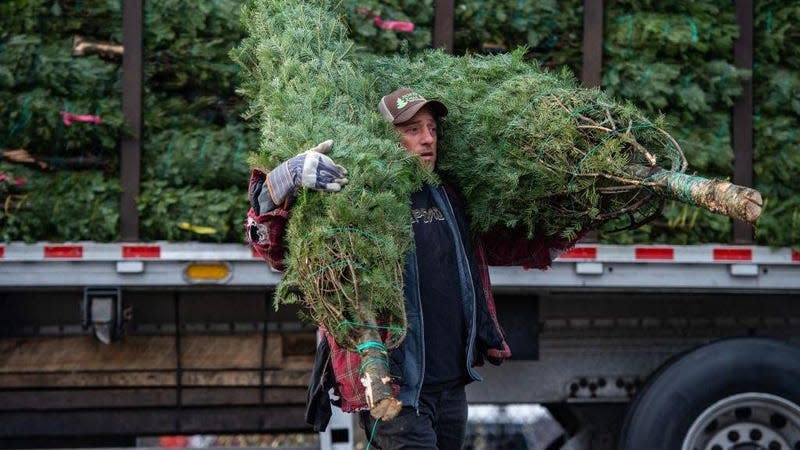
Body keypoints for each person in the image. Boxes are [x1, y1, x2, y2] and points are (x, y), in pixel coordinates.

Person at [245, 87, 579, 449]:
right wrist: (280, 183)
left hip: (450, 386)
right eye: (412, 130)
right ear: (384, 138)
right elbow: (275, 249)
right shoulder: (354, 200)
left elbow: (506, 245)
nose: (427, 140)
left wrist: (575, 213)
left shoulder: (449, 196)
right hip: (393, 390)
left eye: (432, 129)